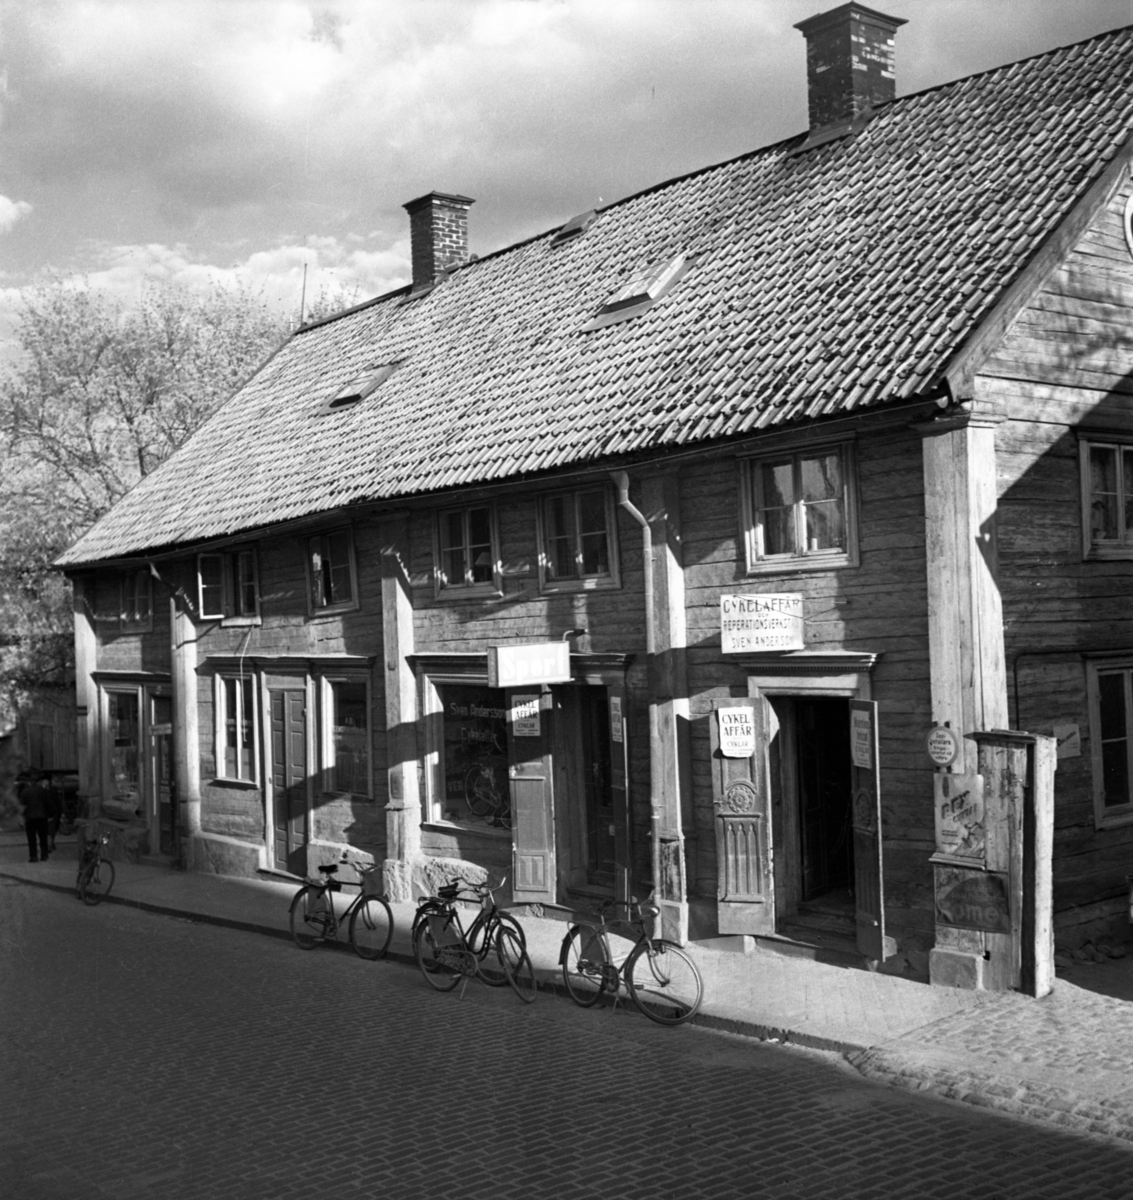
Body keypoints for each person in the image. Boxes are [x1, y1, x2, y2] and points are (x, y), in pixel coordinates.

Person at [18, 769, 53, 863]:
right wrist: (50, 814)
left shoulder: (25, 792)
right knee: (43, 837)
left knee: (31, 838)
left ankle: (33, 856)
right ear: (38, 782)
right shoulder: (43, 790)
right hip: (42, 817)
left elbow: (22, 806)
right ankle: (44, 855)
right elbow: (48, 803)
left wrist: (22, 817)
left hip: (30, 818)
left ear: (29, 782)